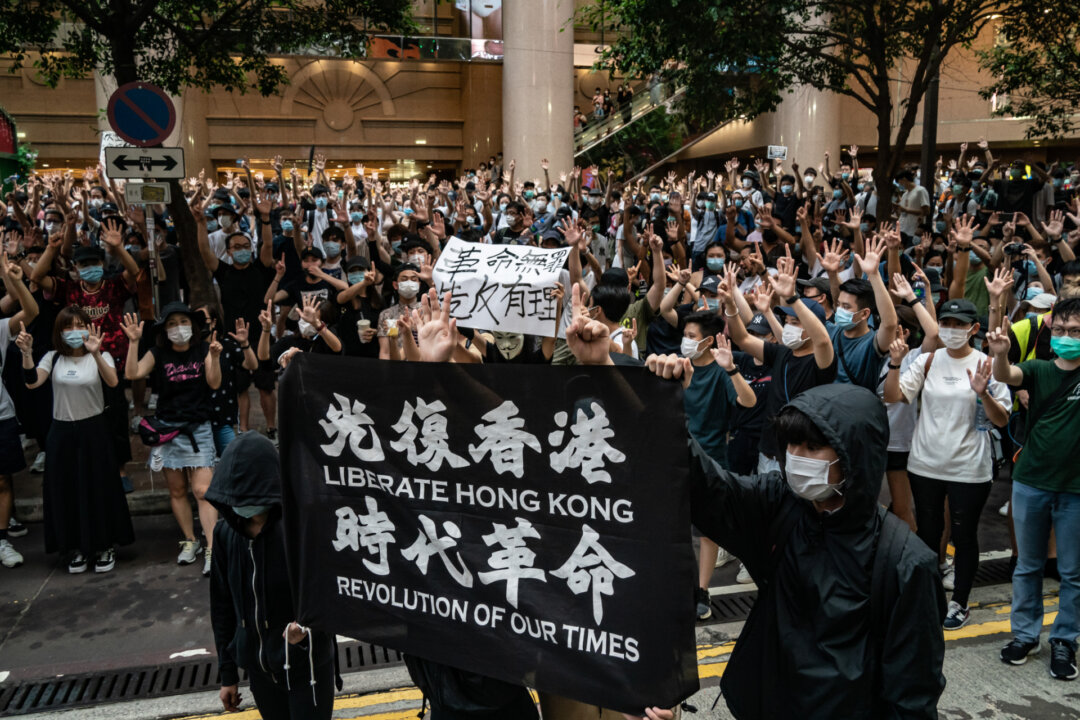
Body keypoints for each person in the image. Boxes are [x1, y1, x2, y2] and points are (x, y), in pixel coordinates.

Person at [641, 359, 945, 717]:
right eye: (792, 445)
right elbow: (709, 490)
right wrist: (663, 403)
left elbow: (911, 696)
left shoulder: (905, 564)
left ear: (854, 455)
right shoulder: (780, 503)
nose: (797, 458)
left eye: (813, 448)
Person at [883, 298, 1011, 630]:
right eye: (946, 323)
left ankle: (960, 603)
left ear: (974, 328)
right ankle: (929, 597)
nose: (951, 330)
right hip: (924, 464)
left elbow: (1000, 420)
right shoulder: (927, 360)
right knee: (927, 533)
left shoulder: (987, 364)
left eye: (958, 324)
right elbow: (893, 396)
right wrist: (896, 364)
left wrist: (984, 393)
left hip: (970, 468)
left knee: (964, 535)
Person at [207, 432, 337, 719]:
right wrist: (228, 675)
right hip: (260, 673)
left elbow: (330, 594)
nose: (242, 507)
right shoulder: (226, 534)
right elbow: (222, 607)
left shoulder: (301, 530)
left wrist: (305, 634)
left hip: (307, 669)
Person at [986, 299, 1080, 680]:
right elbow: (1007, 374)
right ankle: (1025, 636)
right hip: (1029, 483)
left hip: (1075, 490)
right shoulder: (1039, 369)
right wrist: (1000, 354)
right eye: (1059, 330)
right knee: (1027, 566)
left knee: (1073, 573)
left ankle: (1065, 640)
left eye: (1075, 331)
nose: (1066, 337)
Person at [18, 308, 133, 573]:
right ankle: (75, 548)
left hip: (94, 431)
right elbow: (32, 383)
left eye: (80, 325)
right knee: (66, 490)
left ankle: (104, 546)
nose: (74, 331)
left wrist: (95, 352)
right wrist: (26, 354)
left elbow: (113, 382)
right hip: (62, 432)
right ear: (59, 332)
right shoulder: (53, 357)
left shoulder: (101, 355)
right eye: (68, 327)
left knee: (99, 488)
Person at [123, 303, 222, 576]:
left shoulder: (204, 349)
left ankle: (213, 548)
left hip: (198, 428)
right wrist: (133, 342)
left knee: (202, 490)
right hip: (167, 430)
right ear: (165, 330)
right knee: (177, 490)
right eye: (171, 323)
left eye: (183, 321)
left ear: (193, 325)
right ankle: (190, 541)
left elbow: (214, 383)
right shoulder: (158, 353)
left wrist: (214, 357)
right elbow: (133, 374)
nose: (179, 328)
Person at [0, 257, 41, 569]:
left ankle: (2, 540)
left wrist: (16, 281)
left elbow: (31, 312)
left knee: (2, 480)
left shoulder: (1, 330)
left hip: (1, 417)